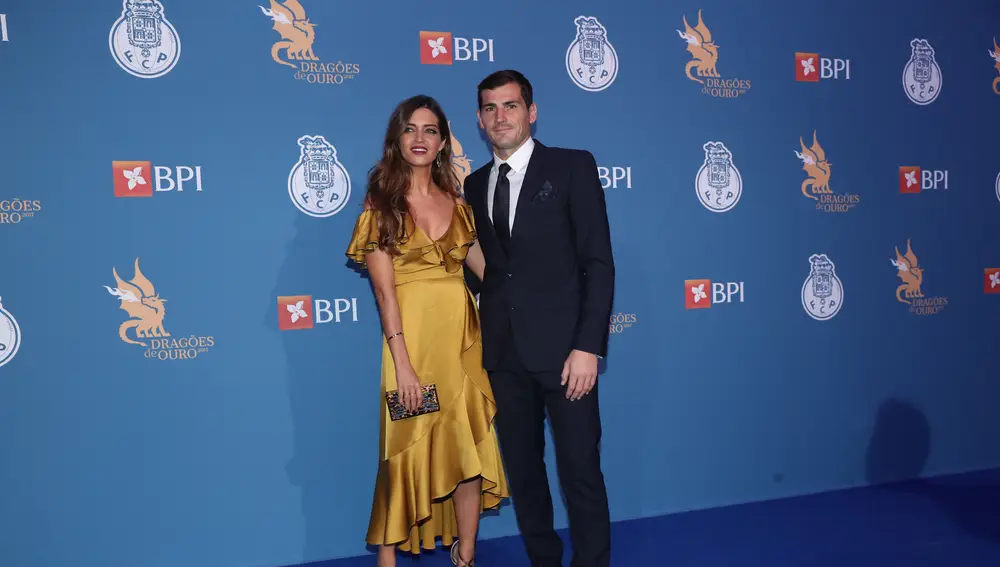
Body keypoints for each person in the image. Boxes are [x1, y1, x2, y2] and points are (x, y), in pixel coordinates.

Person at [345, 94, 509, 567]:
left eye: (431, 130)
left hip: (461, 345)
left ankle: (466, 553)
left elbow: (490, 274)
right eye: (411, 129)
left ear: (442, 143)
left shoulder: (459, 205)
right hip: (410, 347)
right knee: (403, 451)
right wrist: (403, 365)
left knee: (468, 447)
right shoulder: (381, 205)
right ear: (397, 139)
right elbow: (384, 295)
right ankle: (388, 560)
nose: (420, 138)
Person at [462, 70, 615, 567]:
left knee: (580, 473)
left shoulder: (572, 167)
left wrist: (588, 346)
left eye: (509, 106)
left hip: (567, 355)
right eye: (489, 108)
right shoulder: (475, 182)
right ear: (480, 120)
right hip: (505, 358)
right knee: (525, 479)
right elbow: (490, 271)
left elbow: (597, 262)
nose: (499, 116)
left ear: (532, 111)